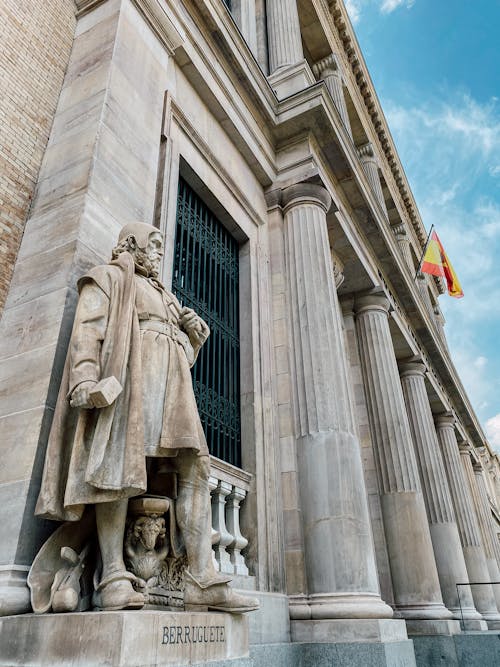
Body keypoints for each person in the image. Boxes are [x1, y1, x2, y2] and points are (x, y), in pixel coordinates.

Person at [35, 222, 258, 613]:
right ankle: (113, 577)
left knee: (196, 468)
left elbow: (179, 356)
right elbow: (88, 332)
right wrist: (86, 378)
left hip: (174, 390)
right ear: (131, 244)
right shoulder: (109, 278)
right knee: (121, 469)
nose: (159, 251)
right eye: (153, 244)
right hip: (135, 382)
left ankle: (200, 576)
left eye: (160, 245)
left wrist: (194, 341)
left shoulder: (167, 298)